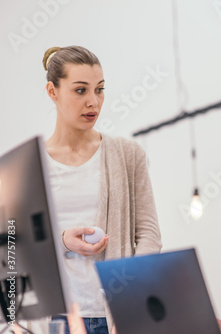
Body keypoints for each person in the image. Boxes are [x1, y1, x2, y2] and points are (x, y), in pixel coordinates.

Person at [42, 45, 162, 334]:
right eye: (81, 90)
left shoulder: (126, 153)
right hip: (59, 319)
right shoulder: (35, 165)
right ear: (52, 91)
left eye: (100, 89)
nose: (93, 101)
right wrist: (62, 240)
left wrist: (131, 301)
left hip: (117, 316)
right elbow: (13, 246)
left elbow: (149, 235)